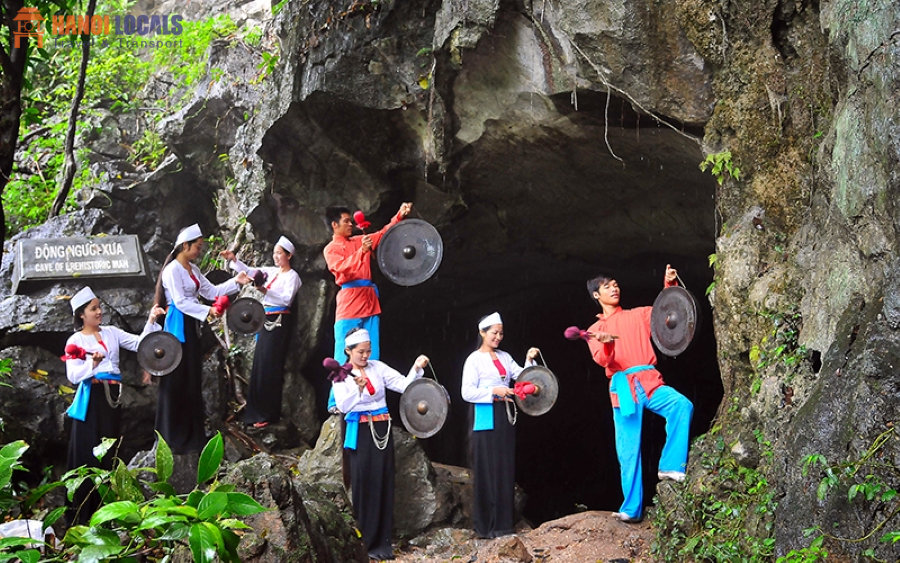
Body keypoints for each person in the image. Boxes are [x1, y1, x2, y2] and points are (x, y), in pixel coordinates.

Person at [582, 265, 694, 523]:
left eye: (616, 284)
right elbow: (602, 360)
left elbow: (668, 313)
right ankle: (631, 509)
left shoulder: (640, 314)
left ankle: (670, 466)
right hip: (623, 388)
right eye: (608, 286)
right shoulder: (592, 331)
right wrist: (607, 342)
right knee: (628, 449)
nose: (614, 288)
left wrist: (669, 285)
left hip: (649, 380)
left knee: (682, 405)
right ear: (596, 295)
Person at [62, 286, 165, 524]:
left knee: (109, 451)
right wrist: (93, 366)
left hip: (112, 400)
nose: (99, 312)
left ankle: (107, 511)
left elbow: (141, 344)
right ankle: (82, 515)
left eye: (99, 307)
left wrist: (151, 320)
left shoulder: (111, 333)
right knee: (88, 452)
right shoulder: (75, 340)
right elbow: (74, 376)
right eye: (93, 308)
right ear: (81, 314)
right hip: (92, 399)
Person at [330, 328, 429, 561]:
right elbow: (344, 406)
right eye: (360, 352)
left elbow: (404, 386)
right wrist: (359, 389)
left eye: (368, 350)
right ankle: (367, 542)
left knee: (384, 479)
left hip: (383, 428)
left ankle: (383, 543)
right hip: (362, 430)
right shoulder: (341, 375)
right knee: (365, 482)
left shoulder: (378, 367)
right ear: (348, 351)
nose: (365, 355)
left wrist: (416, 368)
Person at [153, 224, 250, 454]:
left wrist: (237, 281)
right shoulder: (172, 270)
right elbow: (179, 301)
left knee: (192, 378)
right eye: (197, 246)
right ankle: (170, 435)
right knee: (175, 379)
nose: (199, 250)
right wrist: (206, 312)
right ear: (184, 245)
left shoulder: (193, 270)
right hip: (177, 324)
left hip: (192, 325)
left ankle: (192, 434)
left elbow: (211, 292)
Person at [461, 312, 540, 539]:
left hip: (505, 414)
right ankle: (485, 526)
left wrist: (529, 359)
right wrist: (493, 391)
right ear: (482, 333)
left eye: (501, 333)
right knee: (486, 468)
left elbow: (522, 377)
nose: (498, 337)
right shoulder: (473, 359)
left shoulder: (505, 357)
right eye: (494, 333)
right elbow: (466, 392)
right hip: (485, 413)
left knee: (504, 466)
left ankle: (504, 525)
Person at [220, 236, 302, 428]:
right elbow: (250, 272)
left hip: (280, 321)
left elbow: (286, 299)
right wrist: (234, 260)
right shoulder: (272, 272)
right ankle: (255, 411)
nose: (275, 257)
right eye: (274, 253)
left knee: (270, 365)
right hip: (265, 320)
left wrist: (265, 291)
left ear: (289, 255)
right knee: (260, 363)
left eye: (279, 253)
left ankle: (268, 413)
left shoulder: (293, 276)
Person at [323, 203, 412, 363]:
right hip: (350, 301)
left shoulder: (359, 240)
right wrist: (362, 251)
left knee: (371, 354)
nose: (351, 224)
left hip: (369, 300)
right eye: (346, 221)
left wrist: (399, 215)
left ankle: (372, 386)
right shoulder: (330, 249)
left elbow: (383, 233)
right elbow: (340, 268)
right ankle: (340, 388)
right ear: (334, 225)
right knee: (344, 355)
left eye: (351, 221)